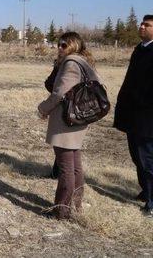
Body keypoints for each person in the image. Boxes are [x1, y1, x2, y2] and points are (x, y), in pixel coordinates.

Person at [38, 32, 100, 219]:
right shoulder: (83, 61)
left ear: (73, 46)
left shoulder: (71, 64)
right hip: (76, 119)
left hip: (66, 121)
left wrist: (43, 108)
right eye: (59, 44)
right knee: (75, 165)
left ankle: (62, 210)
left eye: (64, 45)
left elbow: (59, 93)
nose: (59, 48)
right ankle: (75, 205)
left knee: (66, 168)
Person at [114, 15, 153, 219]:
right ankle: (146, 190)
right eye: (141, 23)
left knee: (147, 157)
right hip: (133, 114)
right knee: (137, 155)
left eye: (147, 25)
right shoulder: (140, 49)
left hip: (147, 116)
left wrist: (141, 100)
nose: (142, 26)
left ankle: (152, 200)